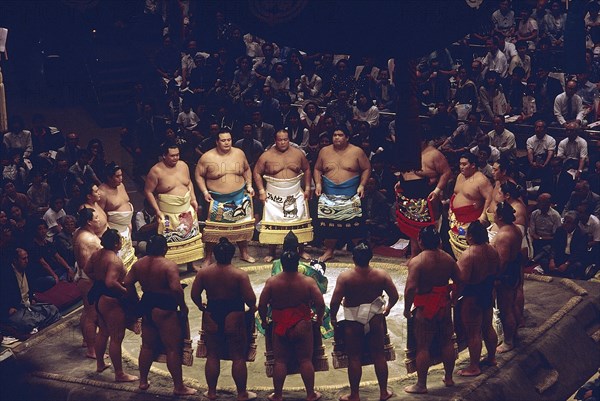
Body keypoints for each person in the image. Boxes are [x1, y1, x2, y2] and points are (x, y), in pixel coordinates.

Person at [124, 235, 196, 396]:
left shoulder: (139, 264)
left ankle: (143, 382)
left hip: (147, 303)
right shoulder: (168, 265)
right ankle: (179, 387)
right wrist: (183, 307)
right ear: (165, 248)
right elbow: (176, 289)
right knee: (172, 348)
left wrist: (135, 300)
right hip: (165, 307)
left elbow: (127, 282)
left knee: (147, 345)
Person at [329, 241, 398, 401]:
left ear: (353, 258)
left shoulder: (345, 277)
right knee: (379, 355)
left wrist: (333, 317)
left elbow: (334, 302)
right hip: (375, 318)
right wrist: (387, 309)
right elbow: (394, 296)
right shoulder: (381, 275)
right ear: (370, 257)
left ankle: (355, 395)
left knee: (354, 357)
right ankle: (383, 392)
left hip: (354, 320)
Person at [191, 237, 257, 401]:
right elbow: (251, 300)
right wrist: (251, 311)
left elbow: (194, 295)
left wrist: (201, 306)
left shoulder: (204, 273)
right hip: (234, 314)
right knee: (238, 356)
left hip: (212, 313)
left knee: (212, 355)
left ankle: (212, 393)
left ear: (214, 254)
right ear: (231, 255)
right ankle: (242, 394)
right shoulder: (239, 275)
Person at [258, 248, 325, 401]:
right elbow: (320, 303)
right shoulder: (307, 281)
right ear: (297, 263)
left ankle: (278, 395)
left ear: (282, 264)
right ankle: (310, 394)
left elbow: (262, 305)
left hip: (280, 323)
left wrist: (263, 320)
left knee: (280, 361)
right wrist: (319, 318)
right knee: (305, 360)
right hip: (302, 323)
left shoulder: (272, 282)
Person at [403, 226, 459, 394]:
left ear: (420, 242)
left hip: (425, 307)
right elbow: (460, 279)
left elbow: (410, 289)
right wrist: (454, 298)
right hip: (444, 304)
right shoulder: (448, 258)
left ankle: (421, 385)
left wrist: (406, 309)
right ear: (439, 241)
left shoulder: (417, 262)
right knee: (447, 341)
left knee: (423, 346)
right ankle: (449, 378)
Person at [195, 129, 255, 266]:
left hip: (239, 195)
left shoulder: (239, 154)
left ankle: (244, 253)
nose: (227, 142)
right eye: (223, 140)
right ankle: (208, 257)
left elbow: (246, 169)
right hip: (217, 199)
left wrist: (249, 185)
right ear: (217, 142)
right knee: (212, 230)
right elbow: (199, 175)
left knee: (241, 227)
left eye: (229, 139)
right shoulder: (207, 157)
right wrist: (204, 192)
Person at [84, 229, 138, 382]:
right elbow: (110, 282)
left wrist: (98, 281)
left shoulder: (97, 254)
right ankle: (120, 374)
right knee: (116, 337)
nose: (122, 242)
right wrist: (124, 290)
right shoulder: (114, 260)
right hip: (112, 300)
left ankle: (100, 364)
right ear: (116, 243)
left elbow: (87, 270)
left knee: (103, 332)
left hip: (100, 296)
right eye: (120, 240)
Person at [254, 129, 313, 262]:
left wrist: (308, 188)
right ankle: (272, 252)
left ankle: (301, 250)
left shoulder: (298, 154)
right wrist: (261, 191)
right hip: (274, 195)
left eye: (285, 139)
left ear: (289, 140)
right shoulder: (267, 155)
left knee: (298, 221)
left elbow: (307, 168)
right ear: (275, 141)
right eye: (280, 140)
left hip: (295, 192)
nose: (283, 142)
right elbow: (257, 172)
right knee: (273, 222)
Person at [313, 127, 371, 262]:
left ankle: (360, 252)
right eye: (334, 134)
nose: (336, 137)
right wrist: (318, 184)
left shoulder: (356, 151)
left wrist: (362, 185)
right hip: (329, 193)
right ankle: (329, 251)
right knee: (329, 225)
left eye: (340, 135)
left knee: (355, 225)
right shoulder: (324, 151)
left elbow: (367, 168)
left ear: (347, 137)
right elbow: (317, 168)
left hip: (351, 193)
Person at [144, 142, 203, 271]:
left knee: (190, 238)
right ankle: (169, 269)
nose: (176, 158)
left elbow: (189, 183)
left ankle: (191, 265)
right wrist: (157, 211)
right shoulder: (156, 171)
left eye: (177, 155)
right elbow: (148, 191)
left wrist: (193, 198)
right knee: (169, 242)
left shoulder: (183, 166)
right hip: (168, 211)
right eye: (172, 156)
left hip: (187, 208)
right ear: (164, 156)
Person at [456, 221, 500, 377]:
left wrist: (454, 297)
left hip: (472, 294)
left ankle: (474, 367)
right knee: (487, 326)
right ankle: (492, 358)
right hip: (487, 290)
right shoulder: (492, 250)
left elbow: (462, 280)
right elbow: (496, 271)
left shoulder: (469, 254)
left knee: (473, 332)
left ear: (471, 236)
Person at [395, 137, 451, 256]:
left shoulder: (434, 154)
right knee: (412, 229)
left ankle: (437, 257)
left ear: (424, 140)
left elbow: (446, 172)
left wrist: (437, 190)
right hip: (408, 194)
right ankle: (414, 256)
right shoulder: (410, 152)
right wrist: (401, 182)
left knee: (431, 229)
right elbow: (407, 171)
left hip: (426, 193)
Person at [0, 248, 61, 337]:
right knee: (27, 322)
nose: (27, 261)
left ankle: (39, 325)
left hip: (29, 305)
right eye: (23, 259)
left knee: (52, 309)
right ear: (15, 260)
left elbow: (30, 288)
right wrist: (7, 309)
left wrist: (31, 298)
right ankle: (38, 325)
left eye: (27, 258)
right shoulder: (5, 274)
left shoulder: (27, 269)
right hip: (16, 310)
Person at [448, 153, 493, 259]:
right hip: (455, 218)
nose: (461, 167)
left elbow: (489, 197)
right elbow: (456, 193)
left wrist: (483, 215)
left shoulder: (481, 179)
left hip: (471, 218)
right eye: (460, 164)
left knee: (470, 249)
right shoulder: (460, 176)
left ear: (473, 165)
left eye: (464, 164)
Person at [493, 202, 523, 354]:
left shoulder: (504, 235)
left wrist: (496, 277)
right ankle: (514, 334)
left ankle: (508, 341)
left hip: (506, 274)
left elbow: (502, 261)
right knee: (512, 304)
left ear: (499, 216)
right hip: (514, 269)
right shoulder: (515, 229)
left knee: (506, 309)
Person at [73, 208, 102, 359]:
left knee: (87, 311)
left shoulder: (79, 231)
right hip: (88, 278)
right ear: (89, 222)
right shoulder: (87, 239)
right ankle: (92, 350)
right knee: (92, 314)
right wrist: (99, 279)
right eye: (96, 218)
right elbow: (86, 265)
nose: (99, 220)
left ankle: (86, 340)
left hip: (84, 275)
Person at [98, 163, 136, 270]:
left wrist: (129, 223)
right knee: (118, 260)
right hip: (114, 229)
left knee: (129, 255)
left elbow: (125, 202)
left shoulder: (121, 186)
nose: (121, 178)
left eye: (121, 175)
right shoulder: (102, 192)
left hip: (126, 227)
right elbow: (101, 215)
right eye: (117, 176)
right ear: (109, 177)